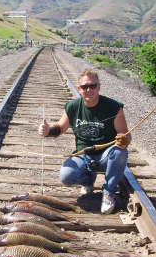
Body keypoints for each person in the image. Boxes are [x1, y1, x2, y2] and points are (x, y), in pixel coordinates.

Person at [38, 69, 131, 214]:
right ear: (79, 88)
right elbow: (60, 128)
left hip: (107, 155)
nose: (89, 90)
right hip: (84, 154)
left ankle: (109, 192)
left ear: (99, 87)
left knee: (120, 152)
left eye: (92, 86)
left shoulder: (114, 107)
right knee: (66, 176)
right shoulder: (73, 106)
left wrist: (124, 140)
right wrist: (48, 130)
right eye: (84, 87)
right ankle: (88, 182)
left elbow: (125, 135)